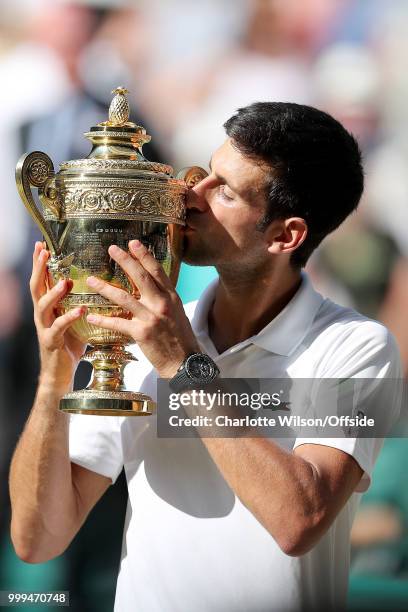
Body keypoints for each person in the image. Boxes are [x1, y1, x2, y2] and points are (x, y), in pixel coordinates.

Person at [9, 102, 402, 611]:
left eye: (226, 191)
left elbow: (298, 520)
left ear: (286, 235)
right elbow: (37, 540)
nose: (191, 196)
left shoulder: (357, 347)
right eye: (207, 172)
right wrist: (54, 376)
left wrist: (183, 366)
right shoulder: (148, 334)